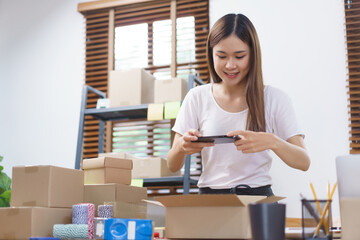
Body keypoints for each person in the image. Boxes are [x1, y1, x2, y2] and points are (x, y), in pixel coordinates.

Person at [167, 13, 310, 196]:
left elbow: (304, 161)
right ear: (211, 54)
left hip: (258, 199)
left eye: (239, 56)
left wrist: (272, 141)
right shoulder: (197, 97)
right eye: (221, 56)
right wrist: (181, 147)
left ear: (253, 55)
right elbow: (172, 165)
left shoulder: (275, 98)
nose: (230, 65)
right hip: (211, 200)